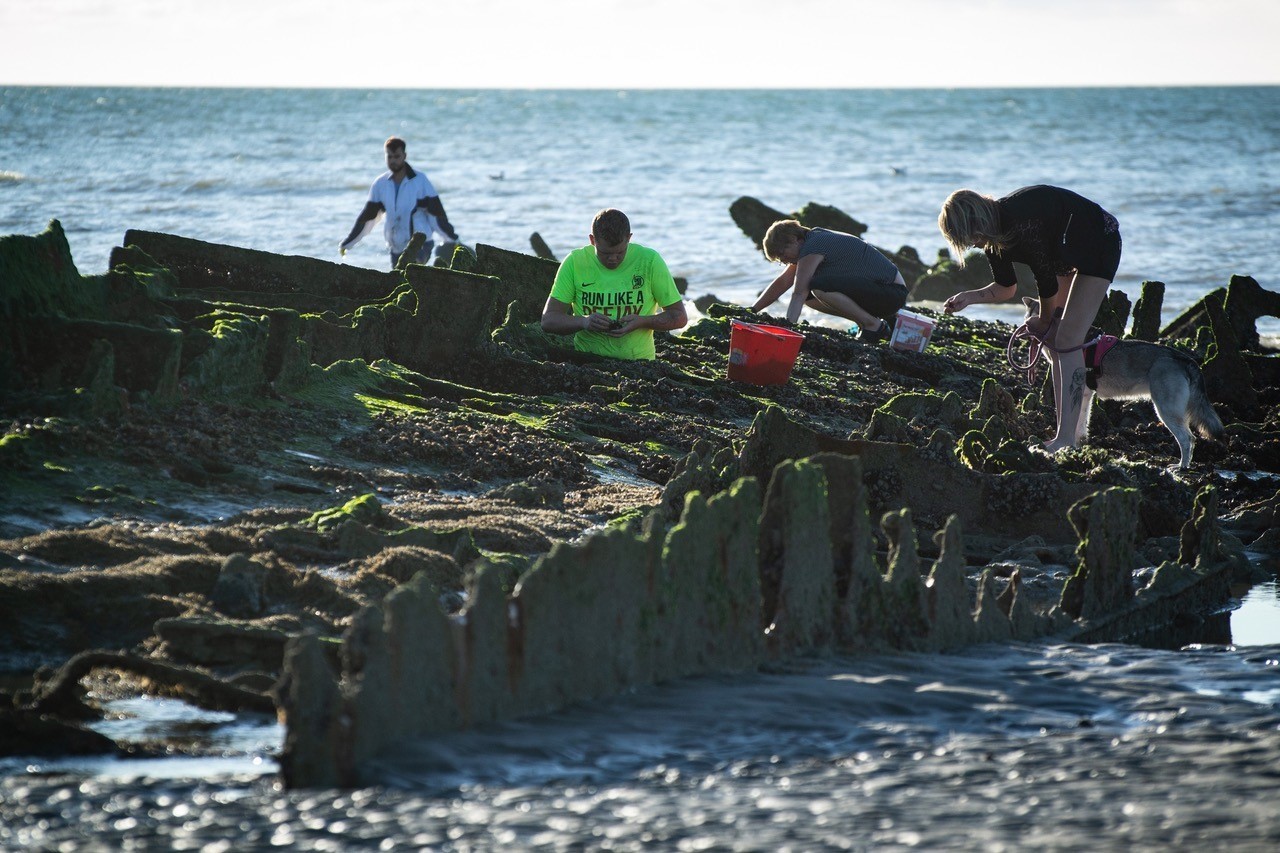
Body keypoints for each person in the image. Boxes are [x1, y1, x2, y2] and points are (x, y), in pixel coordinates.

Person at [938, 185, 1122, 453]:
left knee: (1067, 339)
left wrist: (1044, 322)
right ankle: (1070, 433)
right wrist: (969, 297)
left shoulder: (1018, 221)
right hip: (1065, 250)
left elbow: (1046, 285)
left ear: (976, 222)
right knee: (1057, 340)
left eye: (968, 238)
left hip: (1099, 239)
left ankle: (1066, 439)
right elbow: (1005, 287)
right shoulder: (992, 236)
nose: (971, 245)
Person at [540, 208, 687, 361]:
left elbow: (679, 317)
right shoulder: (575, 262)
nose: (613, 259)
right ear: (592, 240)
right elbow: (549, 320)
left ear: (629, 238)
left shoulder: (649, 261)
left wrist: (642, 321)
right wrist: (584, 321)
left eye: (620, 252)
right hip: (587, 361)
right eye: (605, 253)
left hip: (640, 362)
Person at [752, 220, 908, 343]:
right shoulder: (810, 242)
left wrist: (786, 333)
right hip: (883, 294)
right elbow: (783, 282)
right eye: (779, 260)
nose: (784, 261)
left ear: (793, 240)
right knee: (810, 299)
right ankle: (868, 322)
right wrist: (752, 311)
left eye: (781, 254)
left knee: (818, 287)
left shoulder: (813, 246)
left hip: (891, 293)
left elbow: (798, 293)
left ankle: (873, 326)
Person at [339, 137, 459, 267]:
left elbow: (437, 215)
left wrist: (452, 239)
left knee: (413, 274)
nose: (393, 161)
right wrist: (348, 243)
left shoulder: (420, 181)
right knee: (398, 281)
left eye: (396, 156)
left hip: (421, 245)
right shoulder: (380, 184)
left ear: (404, 156)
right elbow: (368, 217)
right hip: (396, 247)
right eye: (389, 157)